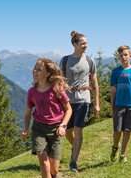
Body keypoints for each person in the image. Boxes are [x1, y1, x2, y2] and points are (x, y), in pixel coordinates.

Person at [21, 58, 72, 178]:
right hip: (39, 128)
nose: (35, 71)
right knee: (43, 161)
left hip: (56, 129)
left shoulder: (56, 88)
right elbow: (28, 114)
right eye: (35, 68)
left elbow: (69, 110)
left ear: (48, 73)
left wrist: (63, 126)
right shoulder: (32, 92)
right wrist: (25, 129)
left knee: (53, 169)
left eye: (39, 69)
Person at [59, 30, 100, 172]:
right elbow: (60, 80)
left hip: (84, 99)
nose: (86, 45)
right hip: (68, 101)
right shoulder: (65, 60)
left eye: (87, 43)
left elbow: (95, 82)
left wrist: (96, 103)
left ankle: (73, 163)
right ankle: (76, 146)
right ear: (75, 44)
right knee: (68, 131)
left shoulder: (89, 61)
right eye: (83, 43)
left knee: (78, 130)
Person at [109, 45, 131, 163]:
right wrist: (112, 106)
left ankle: (123, 155)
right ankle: (115, 147)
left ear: (130, 56)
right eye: (121, 55)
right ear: (118, 57)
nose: (123, 57)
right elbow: (113, 90)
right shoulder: (115, 72)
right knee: (117, 130)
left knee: (127, 131)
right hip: (119, 104)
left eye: (125, 55)